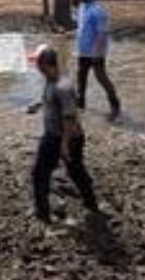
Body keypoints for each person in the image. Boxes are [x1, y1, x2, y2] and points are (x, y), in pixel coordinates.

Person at [26, 44, 100, 224]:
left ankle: (44, 215)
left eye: (38, 64)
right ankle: (90, 204)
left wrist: (64, 145)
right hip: (56, 136)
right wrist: (39, 105)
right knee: (72, 171)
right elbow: (52, 100)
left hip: (63, 138)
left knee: (43, 173)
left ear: (46, 65)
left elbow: (69, 118)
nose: (36, 68)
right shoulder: (51, 80)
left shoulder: (63, 87)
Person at [72, 0, 120, 117]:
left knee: (101, 77)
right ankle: (80, 102)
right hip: (83, 49)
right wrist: (71, 34)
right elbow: (81, 27)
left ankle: (114, 103)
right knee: (81, 75)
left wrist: (97, 53)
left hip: (95, 51)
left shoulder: (98, 11)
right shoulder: (82, 7)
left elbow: (102, 34)